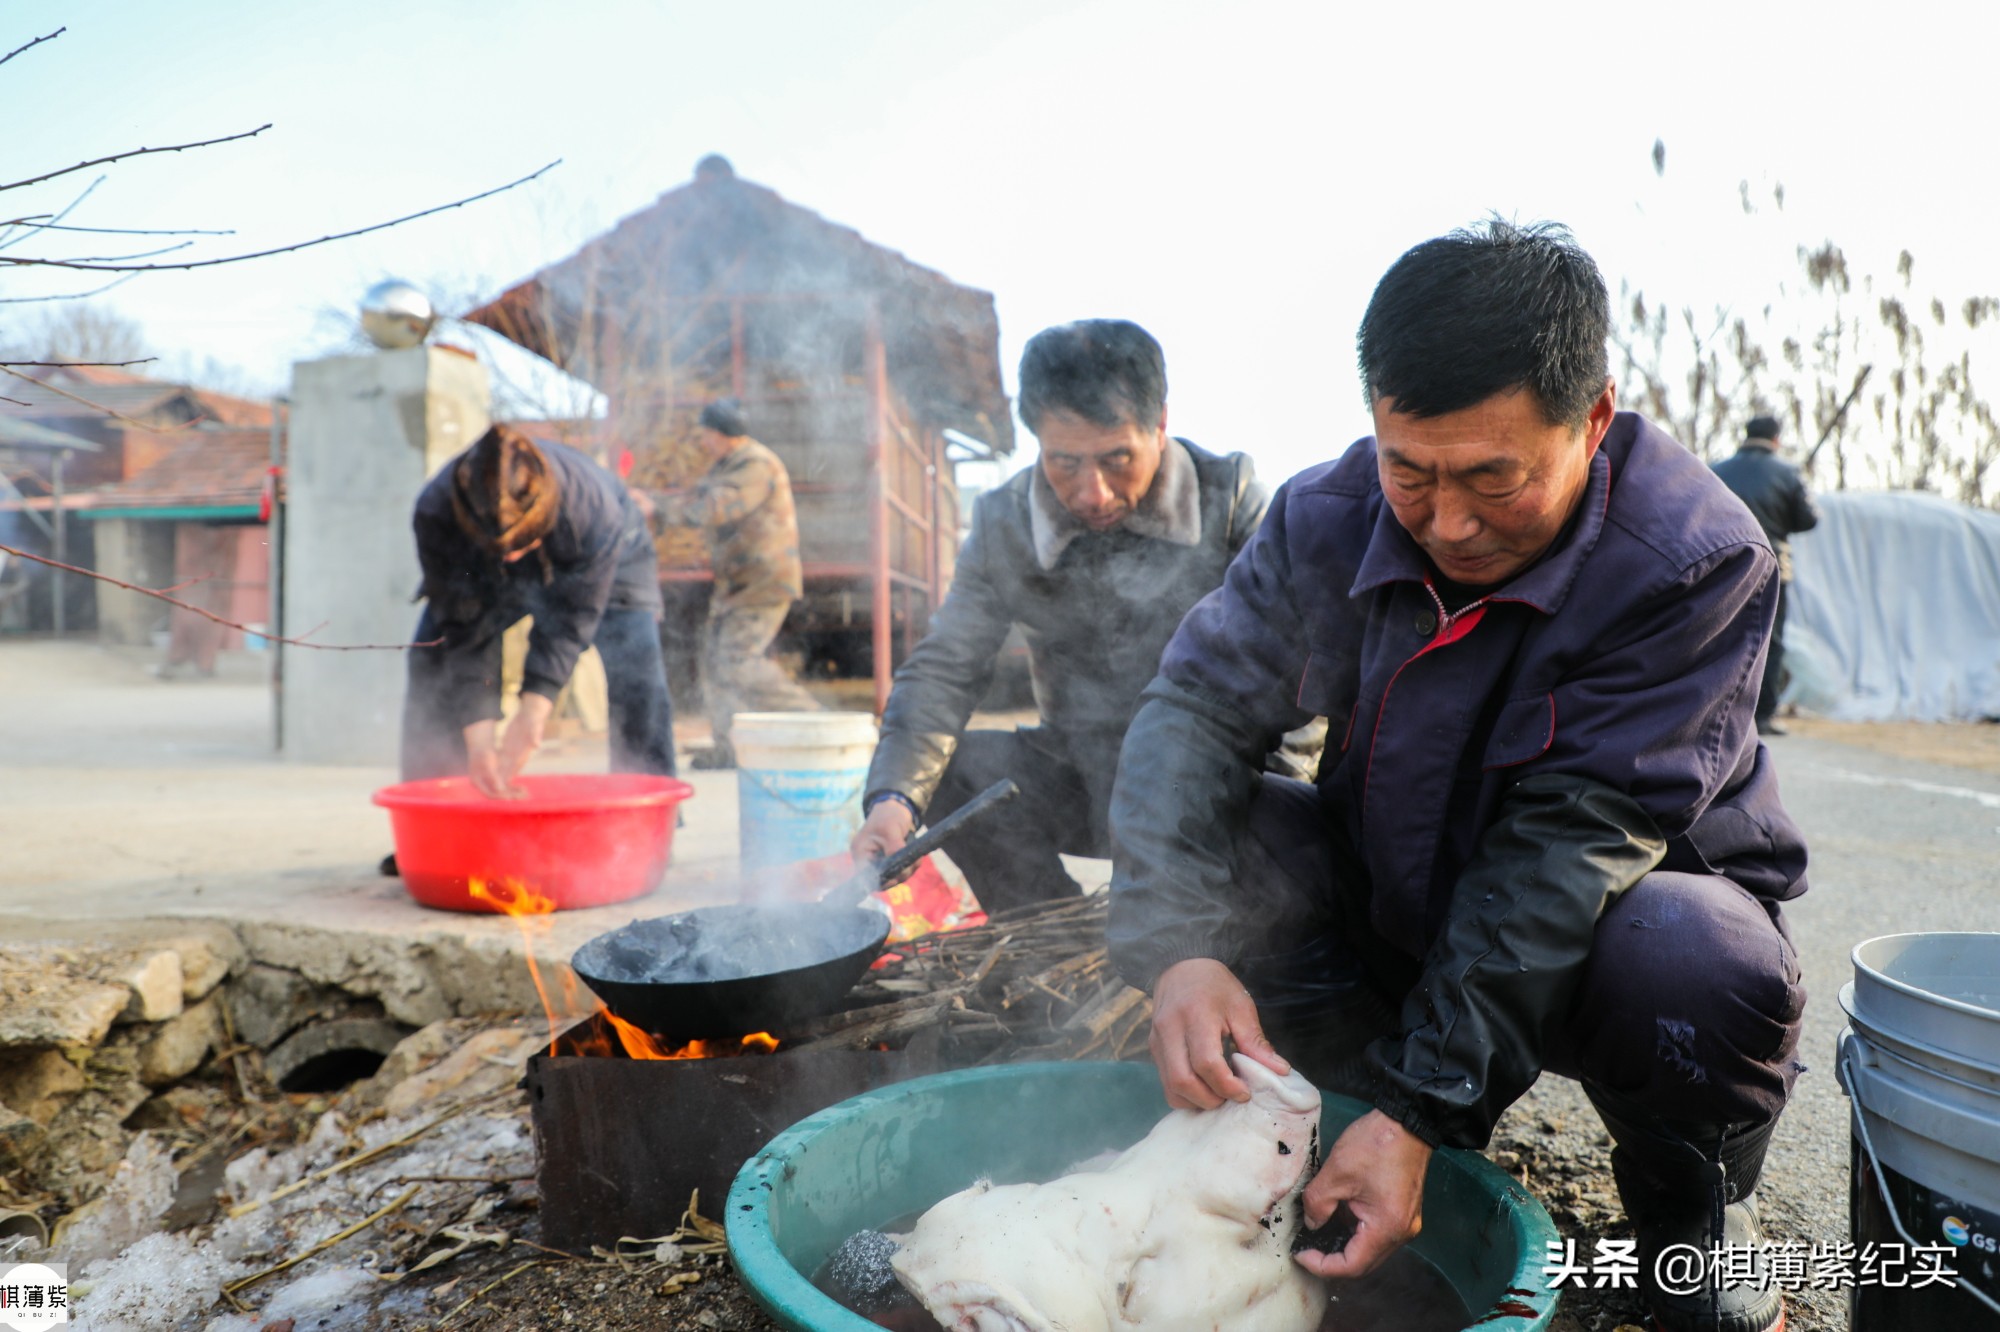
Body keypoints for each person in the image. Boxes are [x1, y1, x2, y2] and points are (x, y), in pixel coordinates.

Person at [1107, 222, 1806, 1332]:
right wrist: (1177, 947)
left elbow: (1570, 843)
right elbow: (1193, 711)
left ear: (1592, 419)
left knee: (1692, 957)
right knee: (1245, 837)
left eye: (1493, 477)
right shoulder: (1323, 519)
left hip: (1595, 941)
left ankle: (1689, 1213)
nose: (1446, 523)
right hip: (1401, 903)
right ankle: (1343, 1129)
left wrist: (1424, 1107)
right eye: (1409, 471)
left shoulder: (1693, 560)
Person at [850, 319, 1291, 916]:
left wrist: (1276, 813)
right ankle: (1052, 936)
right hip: (1085, 779)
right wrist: (892, 801)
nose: (1093, 493)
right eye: (1064, 462)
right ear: (1036, 441)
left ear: (1161, 422)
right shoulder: (1005, 523)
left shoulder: (1231, 499)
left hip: (1215, 784)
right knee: (956, 772)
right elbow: (944, 668)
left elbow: (1295, 662)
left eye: (1117, 459)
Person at [398, 423, 675, 809]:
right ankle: (440, 808)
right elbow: (465, 626)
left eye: (521, 544)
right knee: (434, 654)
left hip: (611, 554)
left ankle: (649, 809)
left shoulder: (590, 507)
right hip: (481, 563)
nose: (513, 556)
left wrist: (534, 710)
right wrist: (479, 739)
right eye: (503, 549)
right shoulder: (435, 513)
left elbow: (570, 618)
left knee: (636, 664)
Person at [640, 399, 812, 770]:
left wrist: (658, 509)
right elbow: (696, 497)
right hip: (738, 584)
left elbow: (717, 507)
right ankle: (729, 747)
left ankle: (816, 722)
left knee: (737, 662)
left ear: (722, 434)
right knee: (716, 664)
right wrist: (652, 501)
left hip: (762, 582)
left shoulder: (755, 464)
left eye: (706, 434)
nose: (703, 442)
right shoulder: (729, 465)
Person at [1712, 414, 1819, 736]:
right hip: (1772, 565)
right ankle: (1762, 716)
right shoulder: (1788, 472)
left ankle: (1715, 711)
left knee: (1718, 635)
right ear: (1776, 439)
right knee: (1769, 640)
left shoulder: (1717, 470)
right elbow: (1808, 520)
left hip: (1722, 565)